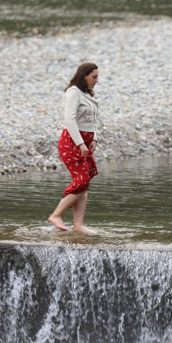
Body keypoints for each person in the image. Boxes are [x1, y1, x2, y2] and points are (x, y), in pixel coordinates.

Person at [48, 62, 100, 233]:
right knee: (82, 179)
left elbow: (93, 120)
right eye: (94, 77)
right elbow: (69, 120)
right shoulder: (73, 93)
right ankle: (56, 215)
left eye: (97, 77)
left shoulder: (87, 94)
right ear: (83, 76)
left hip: (85, 143)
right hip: (72, 142)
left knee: (84, 183)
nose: (96, 80)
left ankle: (78, 225)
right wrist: (80, 144)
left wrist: (95, 139)